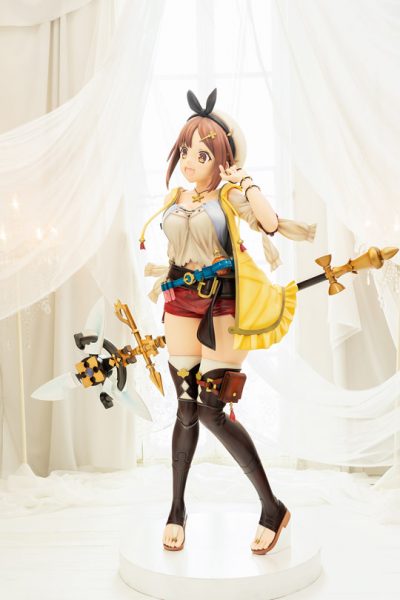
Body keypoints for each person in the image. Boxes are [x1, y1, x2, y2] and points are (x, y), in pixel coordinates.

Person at [139, 89, 317, 554]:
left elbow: (271, 224)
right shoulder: (176, 197)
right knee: (185, 408)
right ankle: (177, 507)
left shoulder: (229, 194)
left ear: (222, 158)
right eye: (185, 150)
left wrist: (246, 181)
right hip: (179, 302)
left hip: (221, 305)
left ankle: (272, 508)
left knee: (210, 410)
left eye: (202, 154)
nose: (189, 161)